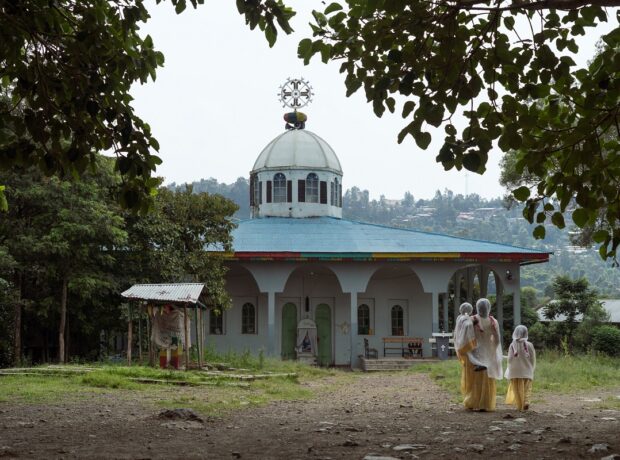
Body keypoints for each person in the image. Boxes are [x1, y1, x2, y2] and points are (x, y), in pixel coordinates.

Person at [464, 298, 503, 411]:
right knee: (488, 376)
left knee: (477, 376)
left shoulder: (472, 319)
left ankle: (475, 401)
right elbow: (497, 339)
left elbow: (467, 336)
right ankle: (486, 403)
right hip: (489, 349)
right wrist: (493, 349)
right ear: (489, 307)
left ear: (477, 307)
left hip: (476, 349)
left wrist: (469, 350)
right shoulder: (493, 321)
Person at [505, 325, 536, 411]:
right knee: (527, 388)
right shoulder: (530, 345)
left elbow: (510, 359)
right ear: (526, 333)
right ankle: (526, 401)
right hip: (526, 371)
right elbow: (532, 359)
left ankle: (520, 406)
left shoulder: (512, 345)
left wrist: (509, 368)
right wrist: (532, 369)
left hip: (514, 372)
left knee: (517, 390)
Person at [454, 302, 480, 401]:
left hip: (461, 348)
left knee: (466, 373)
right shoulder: (465, 319)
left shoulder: (459, 318)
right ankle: (470, 395)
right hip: (467, 347)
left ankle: (467, 393)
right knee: (470, 373)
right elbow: (468, 331)